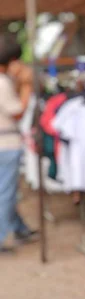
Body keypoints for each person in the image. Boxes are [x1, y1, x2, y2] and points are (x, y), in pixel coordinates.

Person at [0, 34, 36, 252]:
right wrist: (26, 86)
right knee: (6, 192)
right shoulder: (3, 83)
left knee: (4, 189)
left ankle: (20, 228)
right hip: (6, 143)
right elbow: (18, 113)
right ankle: (2, 237)